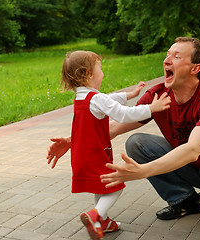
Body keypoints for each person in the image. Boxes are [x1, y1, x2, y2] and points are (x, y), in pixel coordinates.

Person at [100, 37, 200, 239]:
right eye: (167, 54)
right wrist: (73, 140)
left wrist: (143, 171)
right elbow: (115, 128)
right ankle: (185, 201)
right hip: (195, 167)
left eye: (176, 56)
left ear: (195, 68)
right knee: (137, 143)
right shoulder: (158, 95)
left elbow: (193, 149)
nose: (166, 60)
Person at [46, 50, 171, 240]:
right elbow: (122, 114)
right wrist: (150, 109)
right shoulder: (96, 99)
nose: (102, 73)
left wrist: (130, 94)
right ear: (88, 74)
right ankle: (95, 216)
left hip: (81, 155)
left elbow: (108, 100)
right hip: (95, 154)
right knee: (116, 184)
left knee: (102, 186)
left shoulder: (82, 98)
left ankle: (103, 222)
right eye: (100, 69)